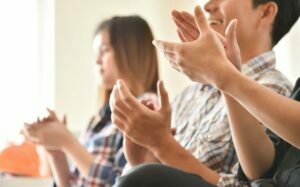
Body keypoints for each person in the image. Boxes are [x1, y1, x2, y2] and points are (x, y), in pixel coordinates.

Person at [110, 0, 299, 186]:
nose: (208, 5)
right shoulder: (190, 95)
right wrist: (147, 156)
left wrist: (162, 145)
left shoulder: (276, 90)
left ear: (265, 13)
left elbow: (247, 183)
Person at [22, 15, 159, 187]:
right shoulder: (100, 118)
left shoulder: (147, 108)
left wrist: (68, 142)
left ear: (131, 52)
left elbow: (124, 183)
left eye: (105, 50)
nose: (97, 60)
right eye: (96, 53)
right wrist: (56, 151)